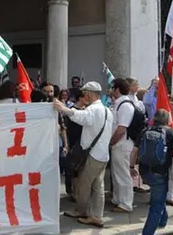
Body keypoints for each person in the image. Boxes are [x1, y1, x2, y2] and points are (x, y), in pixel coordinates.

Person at [54, 82, 113, 228]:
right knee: (98, 186)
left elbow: (81, 117)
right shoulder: (106, 110)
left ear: (90, 94)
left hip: (93, 155)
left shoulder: (94, 109)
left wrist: (64, 109)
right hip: (102, 154)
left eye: (85, 93)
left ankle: (82, 212)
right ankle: (96, 216)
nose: (83, 96)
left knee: (85, 185)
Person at [130, 109, 173, 235]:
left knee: (159, 194)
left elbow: (134, 151)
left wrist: (131, 167)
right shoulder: (170, 133)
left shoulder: (145, 131)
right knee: (156, 206)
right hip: (160, 172)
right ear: (168, 120)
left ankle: (163, 221)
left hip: (145, 171)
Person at [110, 77, 136, 212]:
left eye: (112, 88)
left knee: (123, 174)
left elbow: (121, 128)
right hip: (119, 144)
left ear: (117, 89)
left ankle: (126, 204)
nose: (111, 90)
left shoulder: (125, 105)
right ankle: (118, 199)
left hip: (122, 144)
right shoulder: (119, 103)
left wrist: (111, 142)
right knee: (117, 173)